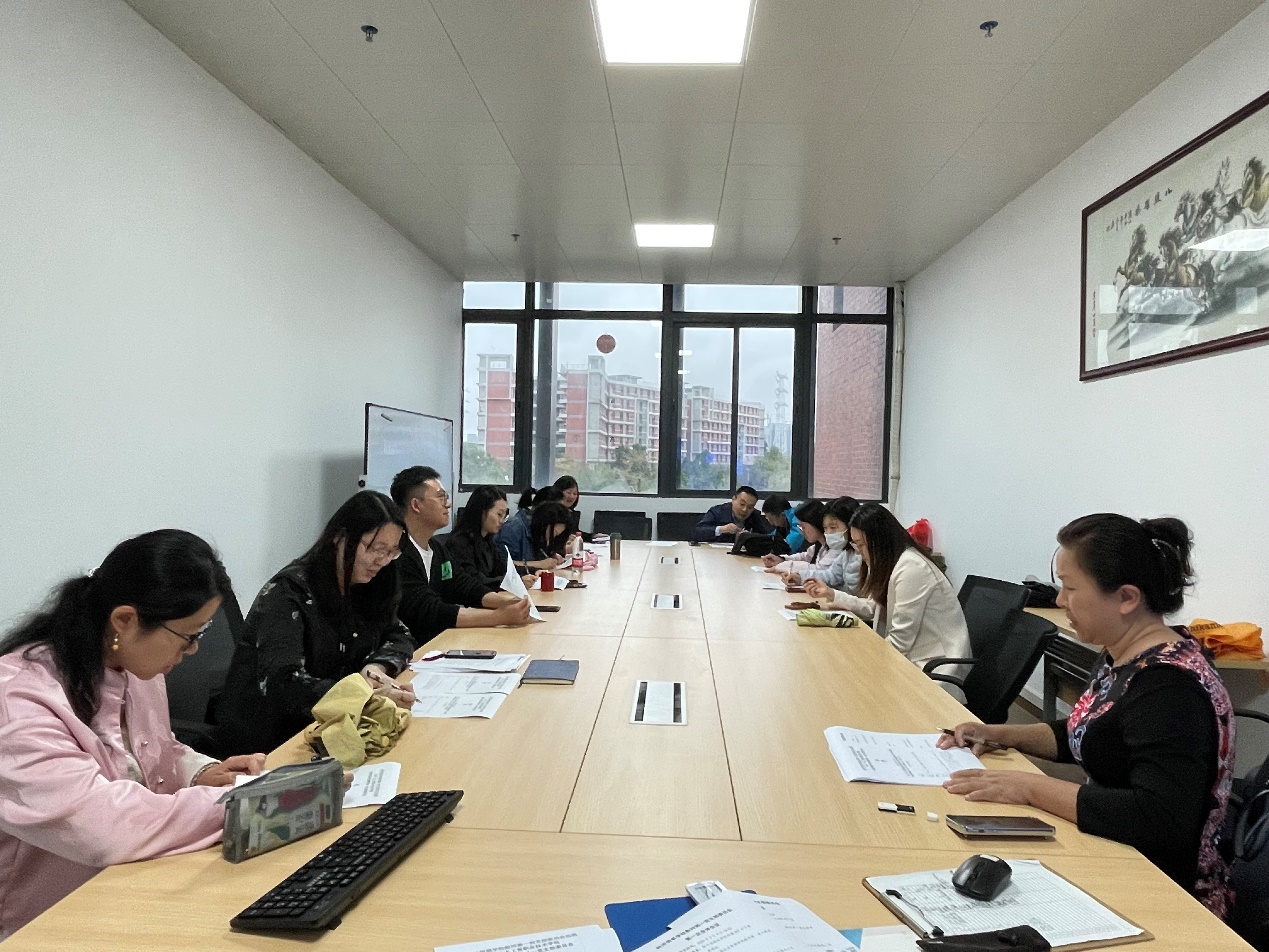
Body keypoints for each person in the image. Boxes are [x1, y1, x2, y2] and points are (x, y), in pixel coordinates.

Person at [938, 514, 1234, 918]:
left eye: (1071, 587)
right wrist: (999, 734)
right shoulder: (1125, 654)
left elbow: (1159, 818)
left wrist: (1031, 788)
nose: (1060, 600)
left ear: (1126, 598)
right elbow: (1093, 732)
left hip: (1166, 891)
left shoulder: (1168, 687)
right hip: (1114, 849)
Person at [0, 529, 268, 936]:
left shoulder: (131, 663)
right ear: (124, 620)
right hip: (42, 919)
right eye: (189, 636)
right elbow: (100, 825)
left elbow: (150, 747)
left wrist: (199, 771)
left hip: (129, 883)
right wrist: (242, 803)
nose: (194, 650)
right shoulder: (17, 701)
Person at [216, 491, 417, 756]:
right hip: (274, 742)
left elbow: (399, 634)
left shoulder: (367, 585)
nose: (382, 561)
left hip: (336, 728)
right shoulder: (290, 592)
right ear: (340, 537)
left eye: (392, 552)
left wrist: (374, 669)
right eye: (375, 548)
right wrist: (362, 694)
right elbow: (284, 684)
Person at [805, 502, 970, 672]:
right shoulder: (893, 563)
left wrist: (859, 659)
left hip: (934, 669)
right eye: (855, 544)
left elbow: (900, 641)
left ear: (879, 542)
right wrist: (832, 594)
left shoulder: (912, 568)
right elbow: (873, 607)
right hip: (912, 660)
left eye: (861, 544)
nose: (858, 551)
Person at [391, 467, 531, 646]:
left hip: (438, 641)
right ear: (416, 505)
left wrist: (506, 602)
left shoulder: (435, 548)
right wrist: (499, 616)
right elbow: (429, 610)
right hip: (415, 647)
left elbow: (462, 584)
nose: (448, 504)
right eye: (441, 498)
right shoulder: (397, 551)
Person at [448, 485, 525, 590]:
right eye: (499, 514)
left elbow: (503, 569)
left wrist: (531, 571)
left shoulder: (488, 540)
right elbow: (475, 581)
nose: (502, 521)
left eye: (504, 516)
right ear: (482, 512)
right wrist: (514, 582)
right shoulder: (459, 543)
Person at [780, 496, 862, 594]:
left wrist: (783, 564)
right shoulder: (847, 552)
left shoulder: (861, 553)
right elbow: (831, 575)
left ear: (850, 526)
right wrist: (800, 577)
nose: (828, 533)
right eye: (825, 528)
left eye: (833, 527)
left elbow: (861, 598)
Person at [497, 486, 567, 570]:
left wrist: (550, 556)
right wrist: (539, 564)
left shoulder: (539, 528)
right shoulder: (513, 528)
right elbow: (503, 564)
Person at [764, 500, 834, 574]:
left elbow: (818, 569)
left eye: (803, 527)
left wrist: (786, 566)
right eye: (800, 527)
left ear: (815, 523)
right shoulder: (820, 543)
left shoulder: (834, 546)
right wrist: (782, 559)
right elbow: (806, 556)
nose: (801, 531)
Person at [691, 486, 771, 543]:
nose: (745, 510)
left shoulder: (755, 516)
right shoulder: (717, 511)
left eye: (750, 507)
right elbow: (697, 533)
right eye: (742, 504)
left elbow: (765, 539)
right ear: (733, 499)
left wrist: (749, 537)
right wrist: (721, 529)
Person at [553, 474, 592, 542]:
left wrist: (593, 536)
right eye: (568, 493)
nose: (572, 496)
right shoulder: (550, 512)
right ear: (558, 492)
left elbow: (574, 532)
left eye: (575, 494)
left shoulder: (571, 513)